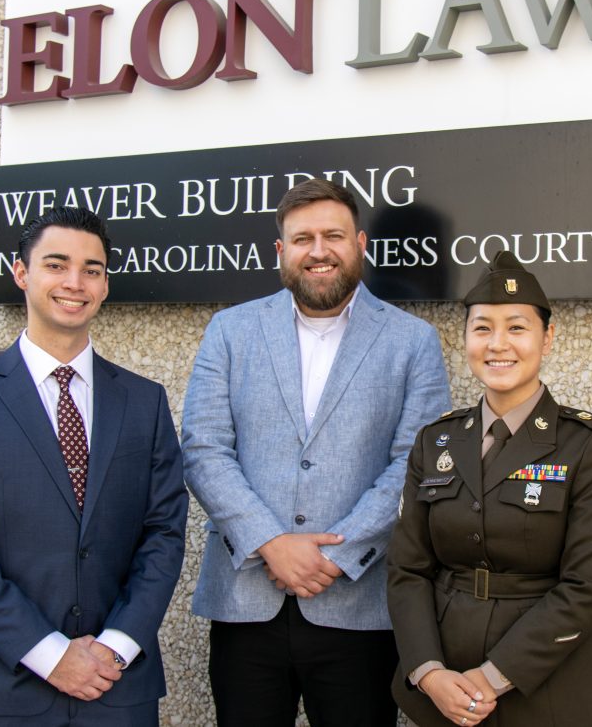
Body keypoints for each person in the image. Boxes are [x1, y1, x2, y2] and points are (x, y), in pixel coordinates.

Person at [181, 179, 451, 727]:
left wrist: (337, 554)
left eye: (333, 235)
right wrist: (270, 542)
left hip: (360, 603)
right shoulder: (230, 331)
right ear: (281, 252)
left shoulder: (413, 341)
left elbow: (415, 463)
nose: (319, 250)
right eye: (302, 238)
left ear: (360, 244)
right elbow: (204, 447)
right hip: (246, 599)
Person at [0, 206, 188, 727]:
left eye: (92, 269)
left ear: (106, 285)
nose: (76, 282)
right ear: (22, 274)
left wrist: (114, 647)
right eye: (57, 264)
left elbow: (164, 533)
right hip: (5, 690)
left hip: (117, 688)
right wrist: (50, 653)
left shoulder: (145, 402)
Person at [387, 250, 592, 727]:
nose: (498, 343)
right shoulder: (435, 440)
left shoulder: (590, 445)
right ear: (465, 341)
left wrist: (493, 676)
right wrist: (429, 672)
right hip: (443, 689)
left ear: (548, 337)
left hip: (548, 689)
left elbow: (590, 585)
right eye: (482, 328)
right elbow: (406, 568)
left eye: (517, 327)